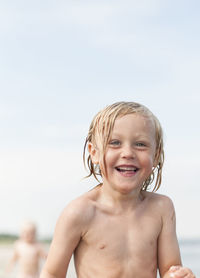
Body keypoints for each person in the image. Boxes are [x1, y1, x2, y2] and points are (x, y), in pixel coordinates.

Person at [40, 101, 195, 278]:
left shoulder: (161, 208)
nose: (128, 153)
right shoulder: (80, 212)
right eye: (114, 142)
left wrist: (178, 275)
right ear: (94, 152)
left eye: (140, 144)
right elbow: (52, 273)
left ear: (156, 154)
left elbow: (170, 268)